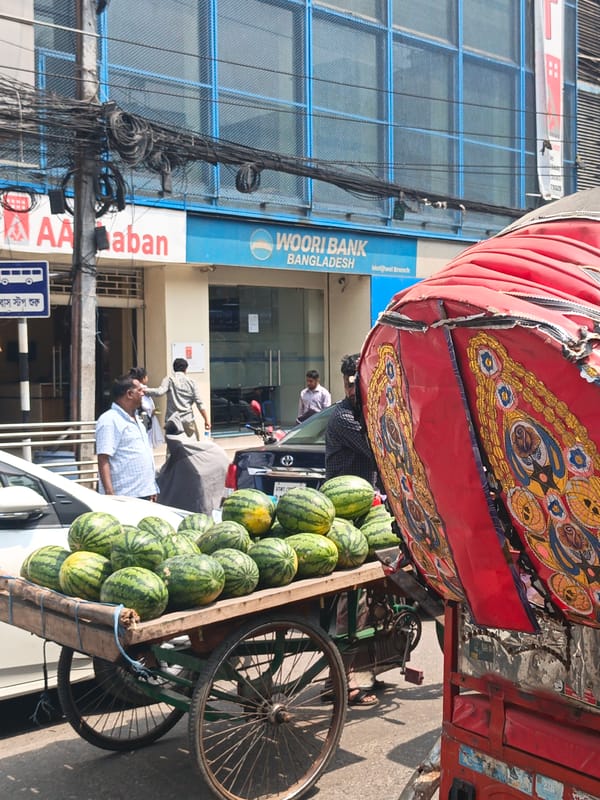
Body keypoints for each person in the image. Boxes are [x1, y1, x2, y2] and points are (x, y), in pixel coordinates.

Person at [325, 353, 380, 707]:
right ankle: (340, 682)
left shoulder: (364, 412)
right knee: (352, 597)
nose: (349, 387)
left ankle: (371, 669)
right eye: (346, 382)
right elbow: (378, 449)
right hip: (346, 517)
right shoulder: (344, 417)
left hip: (367, 509)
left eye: (354, 381)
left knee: (378, 591)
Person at [96, 374, 159, 500]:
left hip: (143, 492)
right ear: (129, 394)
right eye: (140, 390)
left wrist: (152, 487)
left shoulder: (137, 419)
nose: (143, 394)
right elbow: (103, 458)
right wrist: (110, 494)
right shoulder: (110, 420)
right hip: (125, 496)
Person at [325, 353, 378, 486]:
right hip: (345, 501)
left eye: (357, 385)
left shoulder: (365, 413)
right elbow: (378, 453)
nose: (352, 392)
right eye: (348, 386)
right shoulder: (343, 417)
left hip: (363, 498)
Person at [146, 358, 211, 439]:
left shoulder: (169, 380)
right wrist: (206, 420)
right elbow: (199, 403)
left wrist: (144, 390)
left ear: (174, 368)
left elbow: (159, 392)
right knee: (192, 447)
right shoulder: (191, 382)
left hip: (172, 421)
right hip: (188, 420)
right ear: (186, 369)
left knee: (172, 447)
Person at [128, 366, 165, 449]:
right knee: (146, 442)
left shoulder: (133, 388)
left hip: (141, 418)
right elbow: (145, 405)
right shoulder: (142, 389)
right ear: (143, 378)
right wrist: (152, 411)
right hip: (144, 419)